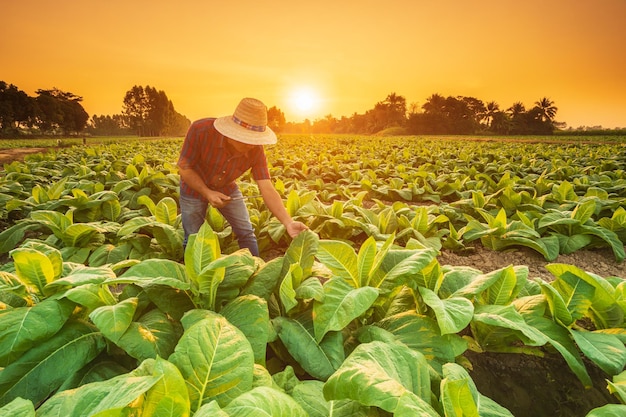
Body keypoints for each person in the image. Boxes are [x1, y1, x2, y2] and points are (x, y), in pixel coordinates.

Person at [177, 97, 308, 257]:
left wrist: (288, 222)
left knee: (246, 232)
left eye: (254, 141)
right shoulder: (201, 130)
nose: (250, 146)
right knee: (193, 236)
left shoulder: (255, 150)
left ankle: (254, 272)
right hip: (193, 188)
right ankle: (194, 278)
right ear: (231, 131)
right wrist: (207, 192)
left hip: (226, 188)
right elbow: (184, 168)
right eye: (245, 139)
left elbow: (266, 187)